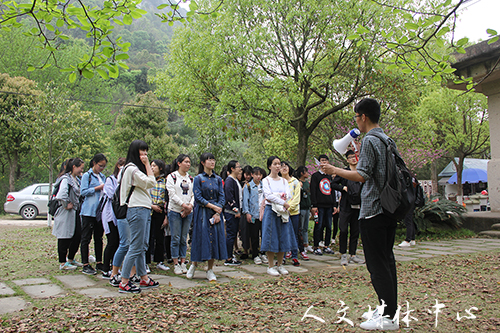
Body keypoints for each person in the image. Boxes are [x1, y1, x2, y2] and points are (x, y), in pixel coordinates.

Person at [321, 98, 399, 330]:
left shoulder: (371, 140)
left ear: (363, 117)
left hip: (374, 209)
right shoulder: (387, 139)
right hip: (389, 208)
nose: (356, 121)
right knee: (387, 260)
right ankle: (388, 309)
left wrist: (334, 170)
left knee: (376, 264)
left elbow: (362, 175)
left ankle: (387, 317)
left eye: (356, 117)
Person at [118, 140, 159, 293]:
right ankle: (124, 280)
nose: (145, 155)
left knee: (141, 246)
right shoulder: (131, 169)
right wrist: (148, 164)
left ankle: (144, 278)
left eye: (146, 152)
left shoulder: (134, 169)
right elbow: (151, 182)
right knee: (135, 246)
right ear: (135, 152)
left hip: (142, 208)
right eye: (142, 152)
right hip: (136, 209)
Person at [187, 152, 227, 281]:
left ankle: (210, 270)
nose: (212, 162)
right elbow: (198, 197)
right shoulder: (198, 178)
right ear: (203, 163)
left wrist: (217, 211)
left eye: (213, 159)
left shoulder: (218, 179)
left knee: (214, 239)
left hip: (215, 213)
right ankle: (194, 264)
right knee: (200, 238)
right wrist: (212, 206)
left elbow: (222, 195)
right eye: (209, 160)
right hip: (202, 212)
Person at [261, 156, 296, 276]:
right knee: (271, 237)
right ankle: (270, 266)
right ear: (269, 166)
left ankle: (280, 264)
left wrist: (280, 199)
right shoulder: (266, 180)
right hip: (271, 211)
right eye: (275, 164)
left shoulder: (284, 181)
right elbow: (268, 196)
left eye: (279, 164)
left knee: (283, 237)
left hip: (283, 211)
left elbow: (288, 194)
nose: (277, 166)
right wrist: (281, 199)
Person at [332, 150, 364, 266]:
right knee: (344, 230)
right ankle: (343, 254)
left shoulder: (361, 171)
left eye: (355, 156)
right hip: (346, 205)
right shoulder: (344, 172)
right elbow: (333, 184)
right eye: (350, 157)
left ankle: (353, 254)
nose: (353, 159)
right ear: (347, 159)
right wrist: (343, 188)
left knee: (355, 231)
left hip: (358, 205)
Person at [52, 158, 85, 270]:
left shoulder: (76, 179)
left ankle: (71, 259)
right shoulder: (66, 179)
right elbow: (61, 195)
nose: (82, 169)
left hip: (75, 212)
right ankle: (62, 262)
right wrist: (66, 204)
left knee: (77, 235)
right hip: (65, 212)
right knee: (64, 236)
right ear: (74, 167)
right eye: (80, 167)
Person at [80, 153, 107, 275]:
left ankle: (99, 262)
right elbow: (83, 191)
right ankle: (85, 263)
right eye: (100, 166)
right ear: (94, 164)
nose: (101, 168)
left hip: (100, 212)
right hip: (88, 211)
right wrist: (98, 188)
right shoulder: (87, 176)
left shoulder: (103, 176)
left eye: (103, 166)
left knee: (99, 238)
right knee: (86, 237)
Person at [167, 154, 194, 275]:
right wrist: (184, 205)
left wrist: (190, 207)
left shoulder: (191, 178)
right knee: (175, 238)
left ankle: (183, 262)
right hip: (175, 210)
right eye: (186, 162)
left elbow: (193, 194)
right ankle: (175, 263)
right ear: (179, 163)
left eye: (189, 162)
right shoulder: (172, 177)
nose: (188, 164)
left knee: (184, 237)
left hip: (188, 211)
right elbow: (172, 195)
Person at [310, 155, 342, 255]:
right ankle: (316, 246)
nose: (324, 163)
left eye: (325, 161)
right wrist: (314, 205)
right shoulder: (315, 176)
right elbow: (313, 191)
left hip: (329, 205)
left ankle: (326, 246)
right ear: (319, 163)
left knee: (329, 226)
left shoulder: (330, 176)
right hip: (319, 205)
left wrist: (334, 205)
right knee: (318, 226)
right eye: (322, 161)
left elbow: (332, 191)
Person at [101, 158, 126, 278]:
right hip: (110, 215)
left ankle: (114, 267)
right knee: (112, 242)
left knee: (119, 242)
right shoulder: (110, 180)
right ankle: (106, 268)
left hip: (120, 215)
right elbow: (112, 195)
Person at [147, 159, 169, 272]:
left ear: (160, 168)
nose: (152, 168)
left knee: (160, 236)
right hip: (149, 210)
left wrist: (166, 216)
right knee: (148, 237)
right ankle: (146, 262)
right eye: (151, 166)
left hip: (160, 211)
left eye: (154, 166)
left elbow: (167, 199)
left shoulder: (164, 181)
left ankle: (159, 261)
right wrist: (151, 205)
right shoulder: (147, 180)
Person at [242, 166, 267, 265]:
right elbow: (245, 201)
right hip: (253, 214)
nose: (258, 176)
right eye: (256, 174)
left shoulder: (264, 185)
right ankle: (255, 255)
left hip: (264, 214)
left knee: (264, 235)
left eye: (259, 174)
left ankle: (263, 253)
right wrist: (247, 212)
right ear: (252, 175)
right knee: (254, 235)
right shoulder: (248, 186)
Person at [280, 161, 301, 266]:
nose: (284, 168)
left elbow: (297, 197)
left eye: (286, 166)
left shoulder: (295, 181)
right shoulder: (278, 182)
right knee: (283, 234)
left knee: (294, 234)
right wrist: (283, 208)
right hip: (282, 212)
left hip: (294, 212)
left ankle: (294, 256)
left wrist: (289, 207)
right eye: (282, 167)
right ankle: (282, 257)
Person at [223, 160, 243, 266]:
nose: (240, 168)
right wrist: (236, 209)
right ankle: (228, 258)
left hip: (235, 212)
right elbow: (229, 197)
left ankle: (230, 255)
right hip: (231, 212)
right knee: (231, 234)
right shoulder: (229, 181)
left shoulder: (235, 180)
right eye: (238, 167)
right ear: (232, 168)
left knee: (233, 234)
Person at [399, 177, 423, 247]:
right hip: (412, 200)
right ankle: (412, 239)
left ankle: (408, 240)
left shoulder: (407, 177)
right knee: (409, 219)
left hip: (409, 201)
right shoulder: (412, 178)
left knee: (408, 220)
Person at [294, 166, 311, 260]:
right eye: (306, 172)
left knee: (305, 227)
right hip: (301, 208)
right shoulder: (298, 183)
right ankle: (300, 246)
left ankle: (306, 243)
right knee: (300, 228)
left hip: (308, 207)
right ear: (301, 173)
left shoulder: (307, 183)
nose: (308, 173)